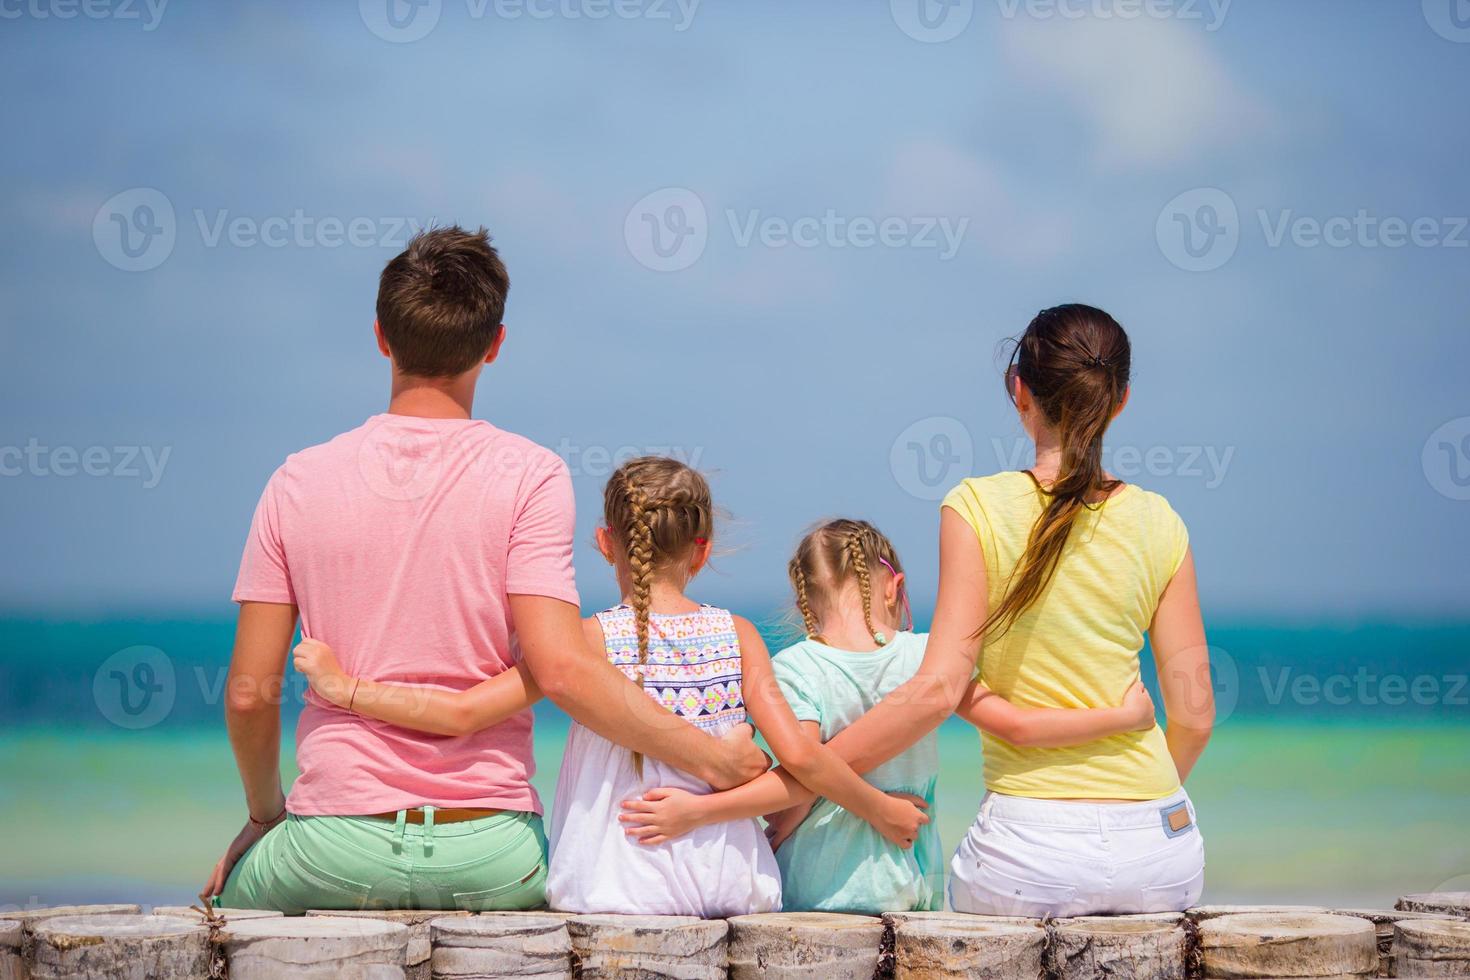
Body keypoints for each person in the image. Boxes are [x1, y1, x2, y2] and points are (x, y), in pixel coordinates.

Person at [202, 227, 767, 913]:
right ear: (494, 344)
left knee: (225, 902)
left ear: (381, 336)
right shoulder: (531, 477)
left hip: (333, 844)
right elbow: (560, 669)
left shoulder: (297, 482)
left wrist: (266, 818)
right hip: (493, 852)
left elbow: (248, 694)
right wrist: (709, 758)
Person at [294, 458, 929, 916]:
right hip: (730, 881)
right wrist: (877, 807)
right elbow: (800, 757)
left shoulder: (584, 641)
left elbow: (463, 713)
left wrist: (345, 688)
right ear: (702, 551)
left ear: (606, 545)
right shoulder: (739, 636)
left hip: (613, 883)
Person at [797, 304, 1215, 917]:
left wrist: (804, 777)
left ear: (1019, 390)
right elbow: (1196, 716)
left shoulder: (975, 507)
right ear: (1119, 401)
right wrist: (1134, 810)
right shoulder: (1160, 521)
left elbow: (938, 689)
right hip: (1163, 850)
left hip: (1030, 853)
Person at [619, 518, 1156, 913]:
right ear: (895, 585)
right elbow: (1019, 727)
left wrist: (699, 812)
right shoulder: (928, 659)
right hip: (906, 888)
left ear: (805, 598)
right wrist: (1123, 717)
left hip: (811, 888)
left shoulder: (796, 667)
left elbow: (802, 774)